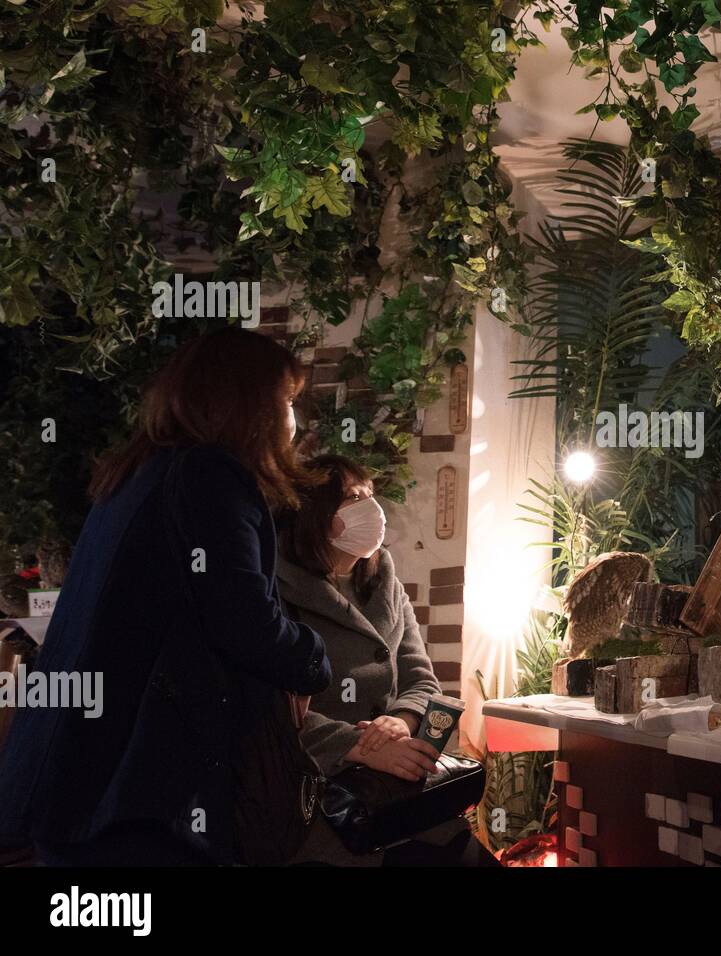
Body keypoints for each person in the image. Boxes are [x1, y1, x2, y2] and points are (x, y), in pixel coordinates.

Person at [0, 327, 331, 865]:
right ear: (251, 403)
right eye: (289, 400)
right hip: (138, 790)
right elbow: (244, 622)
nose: (294, 420)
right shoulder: (210, 475)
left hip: (83, 775)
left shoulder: (141, 469)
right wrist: (313, 659)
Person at [276, 455, 498, 867]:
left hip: (396, 790)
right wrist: (358, 746)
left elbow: (422, 681)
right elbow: (272, 706)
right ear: (314, 514)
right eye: (351, 497)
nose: (370, 508)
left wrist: (402, 721)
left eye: (370, 494)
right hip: (319, 797)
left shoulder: (383, 583)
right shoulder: (276, 588)